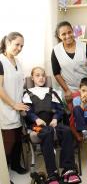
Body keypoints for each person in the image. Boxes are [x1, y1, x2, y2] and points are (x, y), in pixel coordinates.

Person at [22, 67, 81, 184]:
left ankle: (68, 169)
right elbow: (27, 112)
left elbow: (60, 110)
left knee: (67, 131)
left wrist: (55, 119)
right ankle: (52, 174)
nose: (41, 78)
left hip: (52, 123)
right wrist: (36, 119)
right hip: (36, 126)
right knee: (46, 132)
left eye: (43, 75)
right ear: (32, 78)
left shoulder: (53, 92)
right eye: (37, 75)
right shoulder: (27, 94)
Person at [51, 21, 87, 139]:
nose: (67, 36)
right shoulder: (56, 51)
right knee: (73, 115)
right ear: (59, 36)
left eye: (69, 32)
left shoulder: (85, 47)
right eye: (63, 34)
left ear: (73, 32)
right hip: (70, 89)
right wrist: (66, 90)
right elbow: (56, 73)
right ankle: (74, 140)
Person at [0, 32, 29, 184]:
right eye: (17, 44)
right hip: (5, 108)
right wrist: (13, 104)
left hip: (17, 108)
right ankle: (3, 175)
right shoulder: (0, 61)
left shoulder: (18, 62)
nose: (19, 48)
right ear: (7, 42)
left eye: (22, 46)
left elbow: (19, 86)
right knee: (8, 143)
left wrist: (22, 105)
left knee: (18, 139)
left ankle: (16, 165)